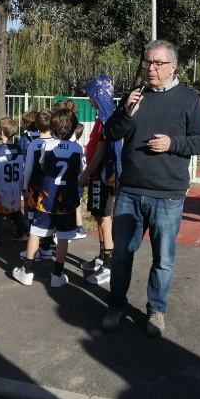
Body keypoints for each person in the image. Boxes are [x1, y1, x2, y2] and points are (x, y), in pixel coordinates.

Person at [101, 40, 200, 337]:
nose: (151, 68)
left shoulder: (188, 100)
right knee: (121, 255)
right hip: (130, 192)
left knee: (163, 259)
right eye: (147, 62)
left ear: (173, 66)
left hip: (168, 196)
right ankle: (116, 305)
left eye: (158, 63)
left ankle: (156, 310)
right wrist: (126, 112)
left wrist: (173, 144)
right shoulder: (135, 96)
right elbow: (111, 132)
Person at [12, 107, 84, 288]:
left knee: (36, 232)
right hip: (67, 199)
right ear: (74, 127)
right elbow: (79, 171)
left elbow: (43, 165)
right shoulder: (78, 148)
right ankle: (57, 275)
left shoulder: (46, 145)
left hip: (47, 197)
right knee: (63, 237)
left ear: (52, 126)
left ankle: (27, 271)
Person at [79, 75, 121, 285]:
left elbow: (101, 151)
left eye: (91, 95)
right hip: (97, 177)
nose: (89, 99)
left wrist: (86, 173)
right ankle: (103, 256)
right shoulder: (102, 117)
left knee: (105, 218)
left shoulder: (107, 119)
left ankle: (109, 265)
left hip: (104, 178)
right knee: (98, 216)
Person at [19, 109, 55, 263]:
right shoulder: (56, 142)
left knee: (33, 218)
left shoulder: (34, 144)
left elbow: (27, 169)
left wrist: (25, 188)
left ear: (37, 125)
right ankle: (46, 248)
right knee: (47, 216)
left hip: (35, 186)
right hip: (51, 188)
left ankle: (33, 251)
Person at [0, 117, 28, 246]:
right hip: (15, 185)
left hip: (1, 185)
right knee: (15, 211)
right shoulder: (19, 149)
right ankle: (23, 232)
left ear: (0, 132)